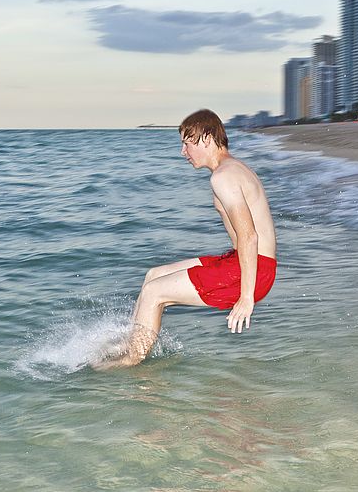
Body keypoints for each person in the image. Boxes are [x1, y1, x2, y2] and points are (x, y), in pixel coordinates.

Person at [95, 109, 278, 369]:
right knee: (153, 276)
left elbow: (249, 237)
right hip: (244, 262)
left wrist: (246, 298)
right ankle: (132, 341)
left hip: (252, 269)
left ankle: (131, 359)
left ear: (206, 138)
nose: (183, 152)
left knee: (154, 293)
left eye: (186, 142)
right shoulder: (231, 169)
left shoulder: (224, 177)